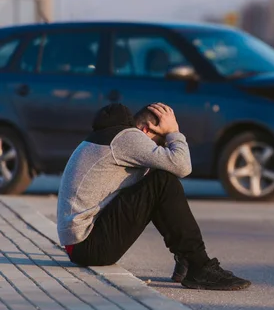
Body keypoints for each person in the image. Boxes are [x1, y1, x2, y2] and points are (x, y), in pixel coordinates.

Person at [56, 102, 251, 291]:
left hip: (81, 245)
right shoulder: (128, 138)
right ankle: (199, 266)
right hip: (88, 246)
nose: (160, 147)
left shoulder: (109, 136)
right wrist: (173, 133)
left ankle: (187, 260)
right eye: (160, 142)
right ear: (147, 130)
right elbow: (183, 166)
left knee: (156, 180)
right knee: (162, 180)